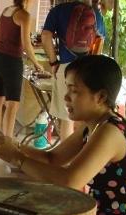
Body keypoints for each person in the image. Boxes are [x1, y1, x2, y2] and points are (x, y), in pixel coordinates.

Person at [0, 55, 126, 215]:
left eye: (74, 91)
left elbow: (70, 180)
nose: (66, 97)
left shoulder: (110, 131)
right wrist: (15, 146)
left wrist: (16, 157)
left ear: (100, 97)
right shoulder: (94, 125)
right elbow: (53, 158)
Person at [41, 0, 106, 140]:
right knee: (87, 118)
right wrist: (92, 64)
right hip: (88, 69)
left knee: (67, 118)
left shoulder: (58, 10)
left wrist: (53, 62)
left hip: (65, 69)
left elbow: (45, 36)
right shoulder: (96, 14)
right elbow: (100, 40)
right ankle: (85, 156)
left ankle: (65, 159)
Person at [0, 0, 44, 137]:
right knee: (12, 104)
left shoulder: (6, 10)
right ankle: (8, 142)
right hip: (11, 62)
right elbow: (26, 45)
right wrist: (37, 64)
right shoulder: (24, 15)